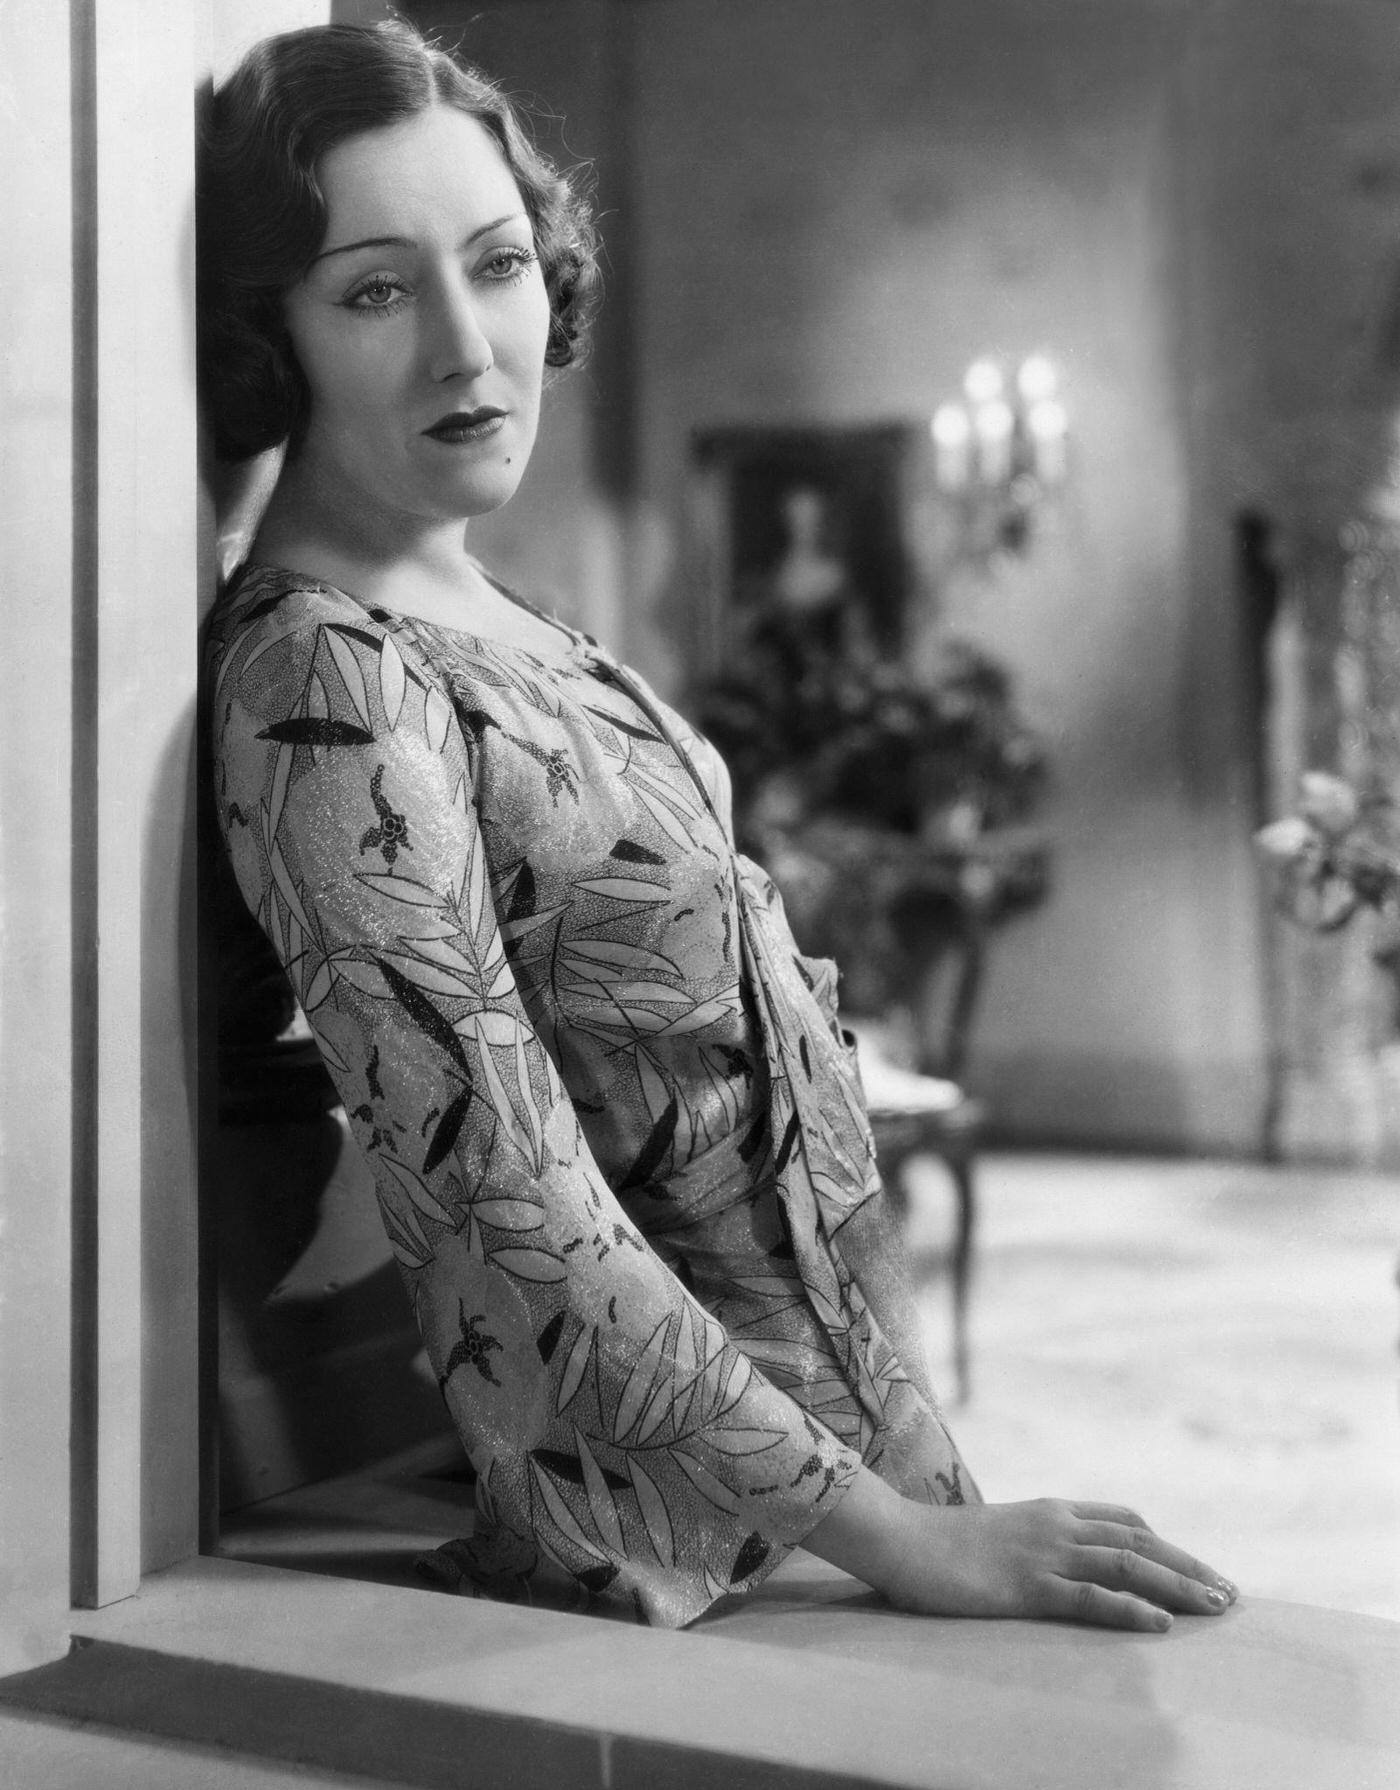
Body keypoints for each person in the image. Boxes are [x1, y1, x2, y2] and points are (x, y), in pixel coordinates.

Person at [200, 20, 1236, 1631]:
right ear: (275, 333)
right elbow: (506, 1194)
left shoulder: (512, 619)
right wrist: (907, 1540)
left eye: (498, 262)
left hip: (849, 1489)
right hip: (686, 1546)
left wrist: (926, 1476)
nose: (471, 347)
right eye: (377, 290)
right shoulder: (319, 670)